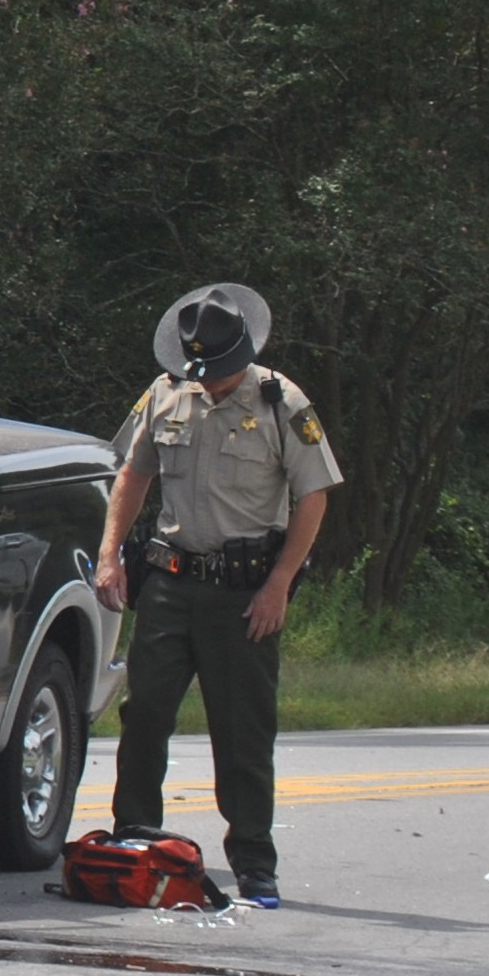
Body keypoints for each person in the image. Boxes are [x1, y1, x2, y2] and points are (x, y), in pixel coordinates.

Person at [91, 284, 341, 908]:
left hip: (244, 593)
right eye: (201, 371)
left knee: (243, 732)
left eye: (221, 372)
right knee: (145, 716)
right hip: (171, 580)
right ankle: (135, 839)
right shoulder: (168, 392)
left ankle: (254, 862)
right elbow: (133, 473)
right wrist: (109, 554)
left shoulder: (281, 401)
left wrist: (279, 585)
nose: (211, 383)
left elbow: (314, 495)